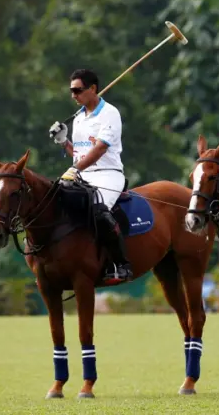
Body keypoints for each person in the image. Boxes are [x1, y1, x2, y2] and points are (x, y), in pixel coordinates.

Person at [49, 69, 133, 284]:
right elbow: (79, 154)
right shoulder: (79, 118)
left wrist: (75, 169)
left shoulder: (110, 113)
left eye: (78, 90)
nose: (73, 95)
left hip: (109, 174)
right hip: (84, 174)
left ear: (93, 89)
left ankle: (121, 265)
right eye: (71, 91)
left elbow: (99, 150)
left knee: (98, 210)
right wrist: (63, 141)